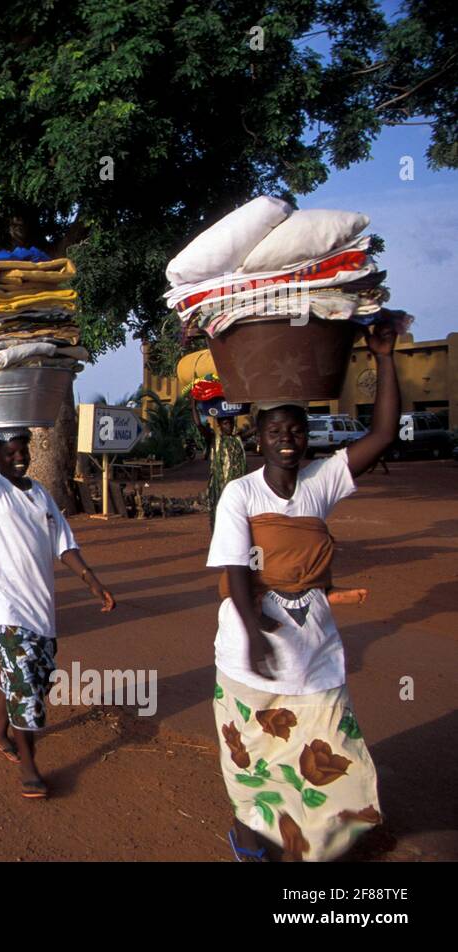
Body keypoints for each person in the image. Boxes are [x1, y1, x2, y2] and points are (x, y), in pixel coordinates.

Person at [207, 321, 400, 863]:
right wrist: (253, 635)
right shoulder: (239, 495)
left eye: (296, 430)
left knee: (336, 758)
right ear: (259, 438)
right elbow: (238, 570)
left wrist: (383, 356)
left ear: (307, 436)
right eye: (276, 432)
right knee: (254, 764)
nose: (287, 439)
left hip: (313, 653)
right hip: (249, 659)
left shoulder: (323, 481)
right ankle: (251, 840)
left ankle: (310, 845)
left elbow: (383, 434)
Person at [0, 373, 116, 799]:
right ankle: (29, 765)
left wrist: (93, 582)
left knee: (33, 678)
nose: (20, 458)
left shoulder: (41, 495)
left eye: (23, 451)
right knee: (26, 682)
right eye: (11, 453)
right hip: (2, 604)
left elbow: (65, 544)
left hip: (39, 608)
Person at [207, 414, 248, 529]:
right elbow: (199, 425)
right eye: (225, 423)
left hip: (239, 488)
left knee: (239, 518)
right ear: (219, 425)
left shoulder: (238, 439)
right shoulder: (215, 441)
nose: (229, 426)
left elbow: (257, 428)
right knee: (223, 519)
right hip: (221, 488)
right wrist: (194, 404)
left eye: (231, 423)